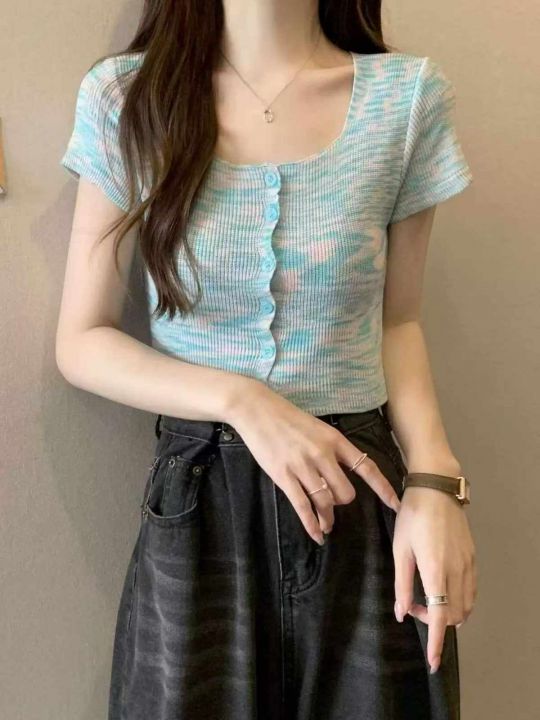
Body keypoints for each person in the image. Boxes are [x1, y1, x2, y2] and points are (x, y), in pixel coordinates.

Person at [56, 1, 477, 718]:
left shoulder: (406, 100)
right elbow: (82, 339)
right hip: (200, 505)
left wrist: (436, 484)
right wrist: (242, 401)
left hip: (361, 496)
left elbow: (399, 322)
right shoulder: (127, 98)